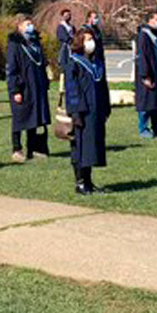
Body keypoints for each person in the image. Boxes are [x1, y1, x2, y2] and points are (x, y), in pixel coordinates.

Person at [65, 27, 109, 196]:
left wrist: (105, 108)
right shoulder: (74, 62)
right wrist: (75, 113)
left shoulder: (96, 62)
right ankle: (80, 182)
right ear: (79, 42)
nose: (91, 42)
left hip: (96, 111)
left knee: (92, 148)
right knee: (80, 148)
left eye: (92, 39)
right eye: (87, 39)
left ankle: (89, 182)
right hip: (82, 113)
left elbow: (103, 87)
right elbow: (72, 90)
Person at [6, 14, 50, 163]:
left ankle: (32, 149)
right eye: (27, 24)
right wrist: (15, 90)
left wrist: (45, 81)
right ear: (19, 26)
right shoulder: (15, 44)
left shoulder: (35, 42)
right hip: (23, 86)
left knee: (34, 118)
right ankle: (17, 148)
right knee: (20, 118)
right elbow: (12, 69)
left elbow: (41, 63)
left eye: (31, 23)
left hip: (37, 85)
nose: (30, 26)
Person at [133, 10, 157, 139]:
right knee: (146, 103)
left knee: (156, 102)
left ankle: (156, 126)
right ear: (150, 20)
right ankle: (143, 128)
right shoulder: (143, 35)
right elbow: (142, 57)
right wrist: (145, 75)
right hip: (148, 74)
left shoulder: (155, 34)